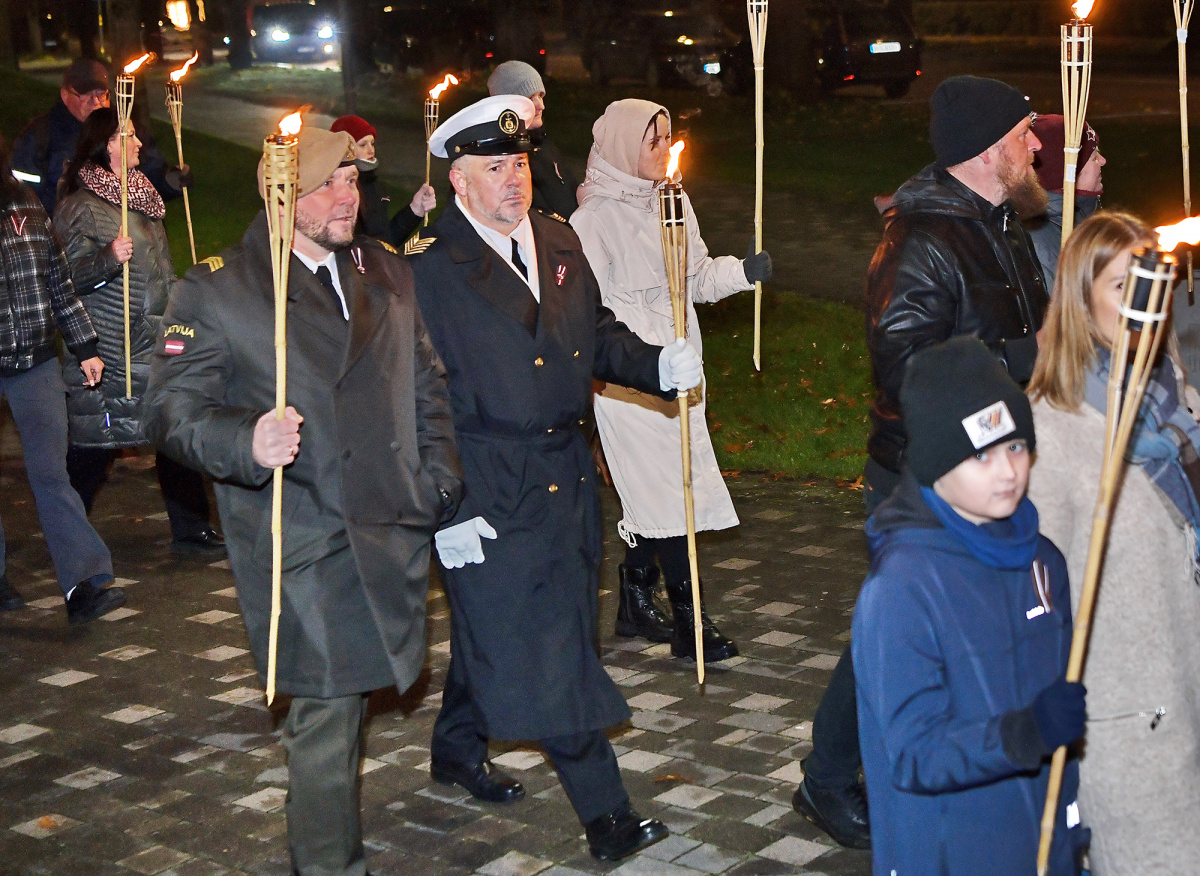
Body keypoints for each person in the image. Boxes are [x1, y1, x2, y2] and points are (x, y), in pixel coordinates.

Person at [143, 125, 463, 876]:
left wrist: (438, 481)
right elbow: (169, 411)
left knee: (351, 706)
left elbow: (426, 382)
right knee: (326, 713)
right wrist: (245, 441)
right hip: (303, 535)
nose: (346, 197)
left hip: (391, 521)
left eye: (351, 181)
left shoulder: (382, 269)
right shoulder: (219, 290)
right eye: (326, 184)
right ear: (280, 194)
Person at [410, 94, 702, 861]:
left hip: (565, 479)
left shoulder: (558, 239)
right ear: (457, 180)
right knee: (551, 651)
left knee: (515, 625)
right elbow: (410, 398)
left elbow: (594, 335)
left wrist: (657, 366)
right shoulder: (429, 269)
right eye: (494, 167)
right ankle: (607, 815)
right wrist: (445, 508)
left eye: (520, 163)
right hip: (484, 483)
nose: (514, 178)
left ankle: (456, 747)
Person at [795, 75, 1052, 850]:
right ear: (987, 149)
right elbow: (907, 365)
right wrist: (1022, 358)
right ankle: (827, 778)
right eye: (1024, 134)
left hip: (988, 465)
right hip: (924, 474)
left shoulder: (998, 222)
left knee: (962, 624)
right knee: (901, 629)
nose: (1037, 147)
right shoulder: (921, 240)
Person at [855, 335, 1088, 875]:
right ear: (937, 462)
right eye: (981, 455)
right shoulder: (902, 588)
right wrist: (1024, 734)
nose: (1008, 472)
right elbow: (914, 752)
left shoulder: (1043, 563)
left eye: (1016, 447)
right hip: (952, 852)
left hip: (1041, 843)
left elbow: (1058, 713)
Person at [1027, 211, 1200, 874]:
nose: (1144, 303)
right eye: (1124, 286)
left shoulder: (1173, 402)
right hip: (1132, 732)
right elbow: (1036, 608)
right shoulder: (1053, 433)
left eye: (1151, 284)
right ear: (1081, 301)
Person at [571, 99, 771, 659]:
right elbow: (593, 316)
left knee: (662, 492)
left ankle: (635, 597)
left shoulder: (674, 202)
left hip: (682, 371)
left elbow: (697, 276)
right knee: (667, 495)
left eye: (667, 139)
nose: (664, 150)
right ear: (622, 147)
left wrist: (741, 273)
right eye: (652, 141)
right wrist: (644, 354)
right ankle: (690, 620)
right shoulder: (592, 222)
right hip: (630, 384)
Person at [54, 107, 223, 552]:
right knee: (96, 443)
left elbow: (157, 270)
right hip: (110, 346)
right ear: (106, 144)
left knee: (171, 430)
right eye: (128, 136)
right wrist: (107, 258)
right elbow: (63, 278)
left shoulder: (141, 196)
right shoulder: (80, 206)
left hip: (155, 338)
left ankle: (192, 526)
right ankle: (65, 530)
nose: (139, 144)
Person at [0, 133, 126, 624]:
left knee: (52, 473)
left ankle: (83, 584)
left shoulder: (26, 205)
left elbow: (58, 281)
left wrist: (85, 346)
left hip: (34, 363)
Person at [11, 58, 188, 217]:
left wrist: (171, 182)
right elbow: (23, 195)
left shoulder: (127, 130)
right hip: (67, 236)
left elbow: (151, 178)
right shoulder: (39, 135)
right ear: (65, 96)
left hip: (129, 232)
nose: (96, 102)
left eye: (101, 94)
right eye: (86, 95)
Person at [488, 60, 580, 219]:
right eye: (530, 98)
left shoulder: (544, 145)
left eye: (540, 96)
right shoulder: (503, 157)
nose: (541, 105)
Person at [328, 114, 436, 245]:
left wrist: (415, 210)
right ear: (346, 150)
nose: (371, 150)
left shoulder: (372, 182)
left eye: (372, 143)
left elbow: (385, 239)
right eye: (363, 145)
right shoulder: (341, 191)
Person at [1026, 114, 1105, 285]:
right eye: (1094, 157)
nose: (1103, 161)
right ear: (1065, 171)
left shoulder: (1081, 220)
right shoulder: (1040, 243)